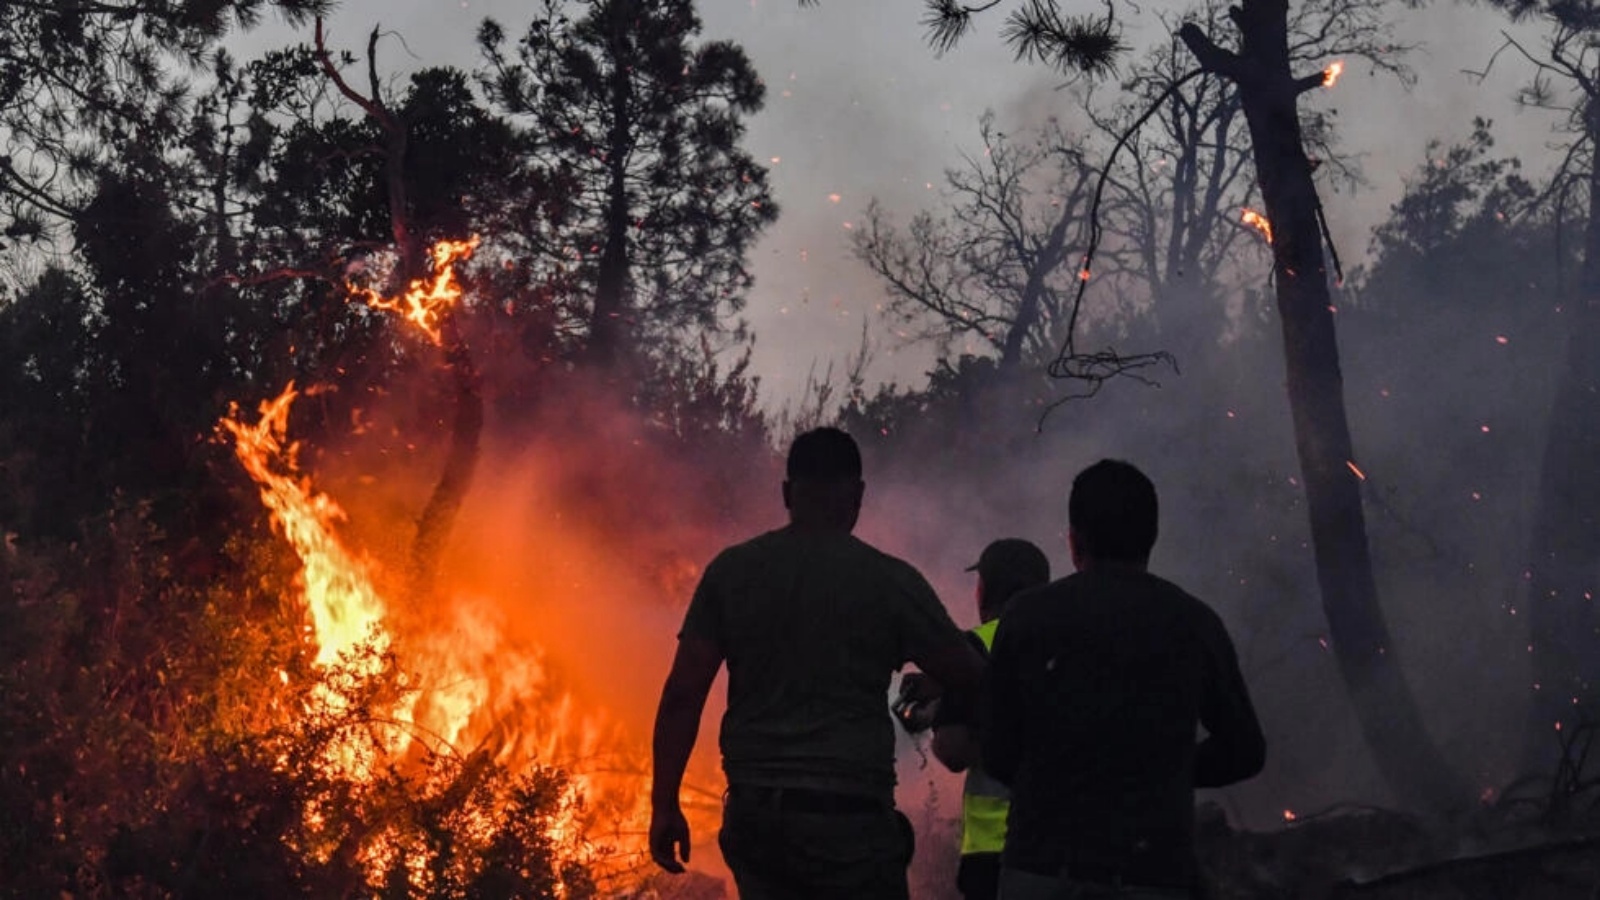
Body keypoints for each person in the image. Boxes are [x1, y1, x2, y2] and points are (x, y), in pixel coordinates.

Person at [649, 426, 985, 900]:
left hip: (757, 821)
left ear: (787, 492)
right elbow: (969, 676)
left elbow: (683, 696)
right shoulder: (889, 582)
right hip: (850, 825)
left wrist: (663, 805)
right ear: (858, 494)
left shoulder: (733, 572)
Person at [983, 460, 1265, 900]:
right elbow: (1245, 750)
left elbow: (998, 752)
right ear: (1151, 537)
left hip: (1041, 869)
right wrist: (1159, 769)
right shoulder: (1193, 623)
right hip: (1149, 872)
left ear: (1074, 540)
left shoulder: (1027, 617)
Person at [930, 539, 1050, 900]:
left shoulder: (976, 646)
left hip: (994, 853)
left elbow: (952, 748)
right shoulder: (1071, 642)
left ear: (986, 590)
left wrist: (937, 714)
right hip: (1064, 847)